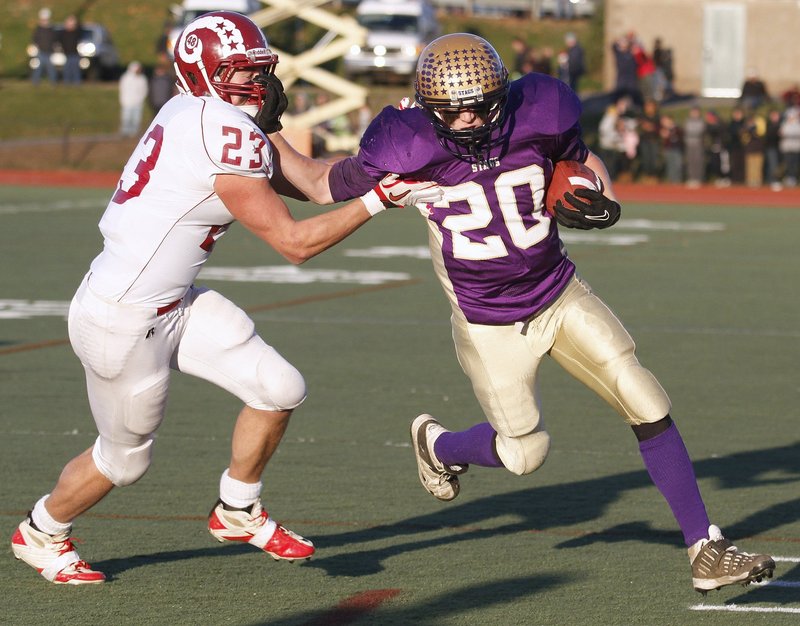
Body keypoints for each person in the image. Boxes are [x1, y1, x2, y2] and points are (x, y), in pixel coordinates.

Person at [264, 33, 775, 594]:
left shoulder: (540, 113)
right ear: (426, 108)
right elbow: (318, 185)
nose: (467, 122)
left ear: (503, 95)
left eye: (480, 106)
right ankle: (439, 445)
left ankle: (706, 547)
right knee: (525, 454)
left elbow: (580, 161)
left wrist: (602, 192)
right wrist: (264, 134)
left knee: (645, 396)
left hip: (558, 293)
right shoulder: (402, 146)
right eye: (451, 112)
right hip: (487, 324)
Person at [9, 11, 438, 586]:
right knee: (123, 462)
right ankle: (40, 532)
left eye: (259, 70)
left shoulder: (206, 113)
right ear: (203, 73)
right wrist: (380, 200)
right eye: (239, 73)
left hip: (174, 301)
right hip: (124, 317)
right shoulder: (221, 132)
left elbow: (317, 181)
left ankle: (237, 509)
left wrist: (396, 152)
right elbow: (293, 242)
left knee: (279, 388)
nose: (255, 85)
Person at [118, 61, 149, 137]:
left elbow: (144, 90)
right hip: (127, 102)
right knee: (126, 118)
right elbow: (122, 89)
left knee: (136, 119)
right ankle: (125, 132)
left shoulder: (142, 78)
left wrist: (141, 99)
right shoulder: (126, 78)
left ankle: (134, 133)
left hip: (138, 103)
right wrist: (123, 100)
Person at [31, 7, 57, 86]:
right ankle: (35, 82)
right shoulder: (38, 29)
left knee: (50, 68)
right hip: (41, 51)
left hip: (49, 50)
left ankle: (53, 82)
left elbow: (54, 39)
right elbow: (34, 38)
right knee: (39, 67)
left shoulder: (51, 28)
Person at [60, 14, 82, 85]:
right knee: (67, 70)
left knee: (76, 70)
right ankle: (66, 83)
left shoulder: (76, 32)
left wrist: (75, 22)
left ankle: (77, 84)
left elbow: (80, 29)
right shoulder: (64, 33)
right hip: (67, 54)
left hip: (74, 54)